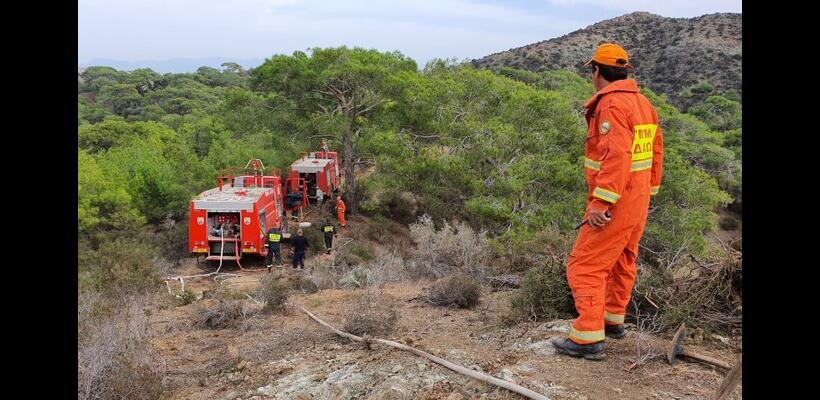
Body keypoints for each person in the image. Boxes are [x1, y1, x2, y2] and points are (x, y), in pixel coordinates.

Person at [551, 43, 664, 361]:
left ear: (596, 71)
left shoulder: (612, 106)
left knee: (585, 265)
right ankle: (612, 319)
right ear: (624, 71)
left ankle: (587, 337)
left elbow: (615, 156)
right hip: (637, 198)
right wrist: (648, 191)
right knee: (623, 258)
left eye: (592, 70)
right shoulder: (644, 104)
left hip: (616, 199)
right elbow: (655, 152)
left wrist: (602, 201)